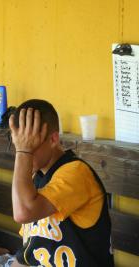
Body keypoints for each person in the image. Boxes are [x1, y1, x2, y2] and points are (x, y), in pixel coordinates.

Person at [7, 99, 114, 267]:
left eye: (29, 143)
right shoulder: (36, 179)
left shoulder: (76, 173)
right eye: (18, 143)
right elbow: (28, 250)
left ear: (53, 139)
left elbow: (23, 213)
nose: (22, 152)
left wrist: (23, 151)